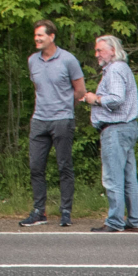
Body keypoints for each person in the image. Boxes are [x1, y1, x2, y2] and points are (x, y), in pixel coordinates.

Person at [21, 19, 86, 227]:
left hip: (62, 119)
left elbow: (80, 90)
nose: (36, 39)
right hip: (39, 119)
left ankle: (66, 211)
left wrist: (68, 110)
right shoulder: (33, 60)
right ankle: (39, 211)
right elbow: (38, 87)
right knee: (35, 166)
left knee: (64, 166)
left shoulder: (68, 60)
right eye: (35, 35)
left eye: (40, 35)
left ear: (52, 36)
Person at [84, 33, 138, 233]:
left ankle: (115, 221)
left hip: (116, 129)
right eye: (96, 50)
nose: (96, 54)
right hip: (128, 127)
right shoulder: (121, 69)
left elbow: (116, 98)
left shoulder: (115, 70)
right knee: (128, 176)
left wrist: (95, 99)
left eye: (100, 50)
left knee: (113, 176)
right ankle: (135, 220)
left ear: (113, 51)